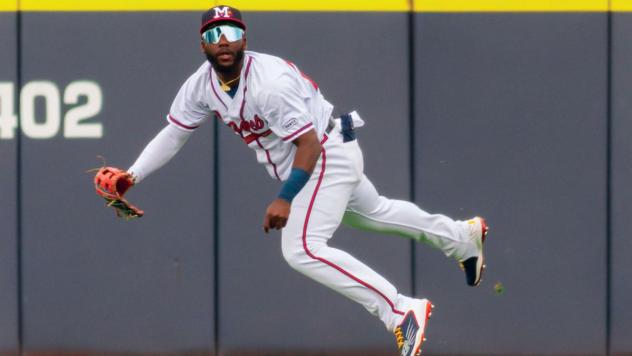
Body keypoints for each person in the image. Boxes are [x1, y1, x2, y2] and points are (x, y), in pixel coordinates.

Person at [124, 6, 488, 356]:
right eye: (213, 34)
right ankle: (460, 237)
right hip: (324, 152)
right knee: (374, 213)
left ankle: (399, 310)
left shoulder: (270, 82)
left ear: (244, 39)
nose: (223, 41)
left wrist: (285, 197)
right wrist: (132, 175)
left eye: (231, 32)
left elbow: (308, 144)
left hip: (324, 153)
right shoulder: (201, 85)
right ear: (201, 43)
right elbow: (174, 133)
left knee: (301, 248)